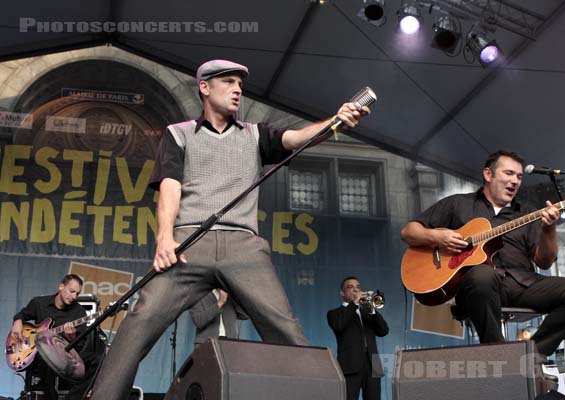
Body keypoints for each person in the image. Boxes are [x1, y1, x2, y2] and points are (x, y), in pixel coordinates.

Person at [90, 59, 370, 400]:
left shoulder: (255, 134)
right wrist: (164, 237)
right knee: (139, 321)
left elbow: (295, 138)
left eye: (241, 83)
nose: (238, 89)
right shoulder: (178, 134)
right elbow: (170, 187)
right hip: (189, 244)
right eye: (229, 82)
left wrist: (335, 120)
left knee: (285, 328)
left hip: (243, 246)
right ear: (205, 87)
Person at [400, 150, 565, 356]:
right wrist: (438, 237)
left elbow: (545, 261)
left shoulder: (527, 213)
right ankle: (498, 355)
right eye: (509, 173)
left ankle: (532, 353)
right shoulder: (457, 203)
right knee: (482, 274)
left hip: (522, 283)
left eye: (519, 177)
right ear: (488, 174)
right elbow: (408, 232)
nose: (515, 181)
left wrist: (549, 229)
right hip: (478, 287)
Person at [11, 274, 100, 400]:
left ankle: (74, 397)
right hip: (40, 354)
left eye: (77, 294)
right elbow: (22, 314)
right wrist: (17, 321)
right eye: (72, 291)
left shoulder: (79, 312)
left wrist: (71, 338)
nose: (74, 297)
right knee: (46, 354)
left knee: (97, 359)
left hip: (66, 353)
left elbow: (80, 346)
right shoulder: (39, 303)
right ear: (61, 286)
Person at [327, 277, 389, 400]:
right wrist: (354, 303)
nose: (355, 290)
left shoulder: (367, 311)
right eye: (350, 287)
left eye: (358, 287)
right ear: (342, 293)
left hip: (373, 365)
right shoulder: (334, 313)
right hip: (349, 364)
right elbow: (339, 326)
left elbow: (383, 331)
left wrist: (373, 311)